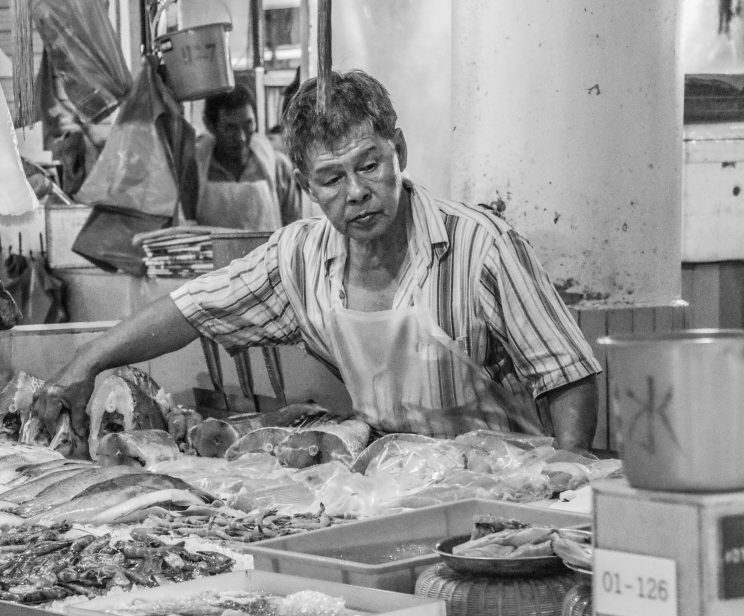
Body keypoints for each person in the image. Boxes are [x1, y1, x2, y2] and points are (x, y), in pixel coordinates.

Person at [34, 70, 601, 453]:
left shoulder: (483, 247)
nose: (356, 192)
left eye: (370, 165)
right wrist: (85, 363)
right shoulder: (300, 259)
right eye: (332, 178)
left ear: (398, 152)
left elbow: (569, 376)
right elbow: (191, 309)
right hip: (395, 487)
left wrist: (558, 487)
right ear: (306, 185)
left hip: (502, 491)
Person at [195, 84, 301, 230]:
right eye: (230, 128)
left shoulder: (278, 167)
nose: (241, 137)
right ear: (210, 126)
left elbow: (294, 227)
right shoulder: (195, 170)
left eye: (248, 125)